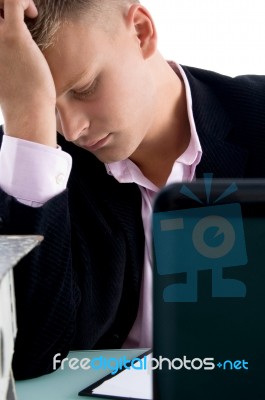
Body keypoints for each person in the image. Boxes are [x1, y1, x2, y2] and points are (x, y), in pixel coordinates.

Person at [0, 0, 264, 380]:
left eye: (85, 88)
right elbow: (25, 358)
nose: (71, 130)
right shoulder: (30, 162)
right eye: (46, 105)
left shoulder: (257, 116)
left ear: (141, 32)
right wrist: (28, 118)